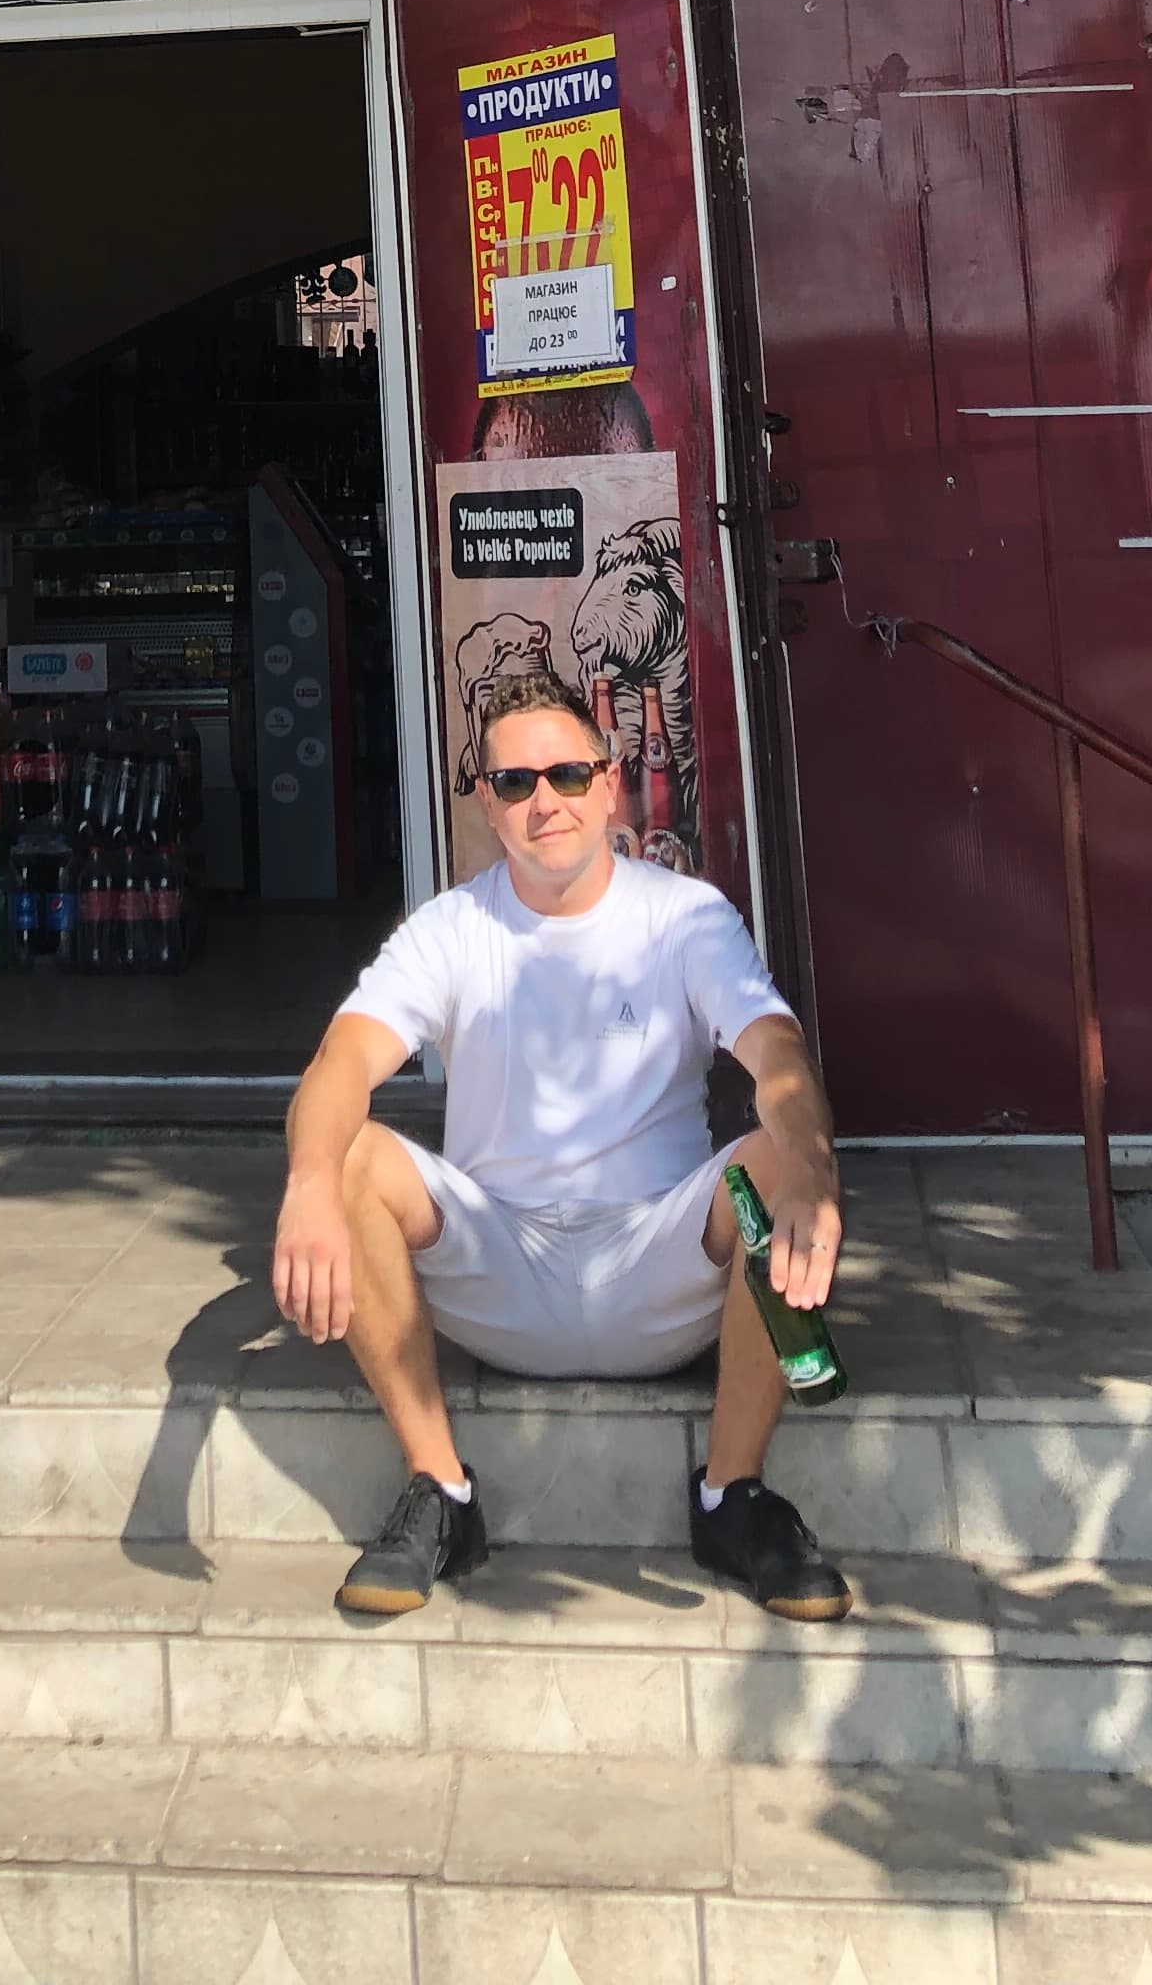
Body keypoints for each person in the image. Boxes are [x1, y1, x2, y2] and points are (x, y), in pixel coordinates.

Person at [271, 664, 850, 1622]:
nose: (546, 802)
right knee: (353, 1150)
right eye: (515, 784)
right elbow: (340, 1062)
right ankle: (439, 1491)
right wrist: (305, 1185)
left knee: (781, 1152)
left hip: (658, 1270)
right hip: (500, 1268)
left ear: (609, 783)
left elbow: (776, 1051)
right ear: (489, 812)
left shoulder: (684, 915)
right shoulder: (451, 929)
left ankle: (733, 1494)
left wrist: (814, 1179)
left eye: (568, 776)